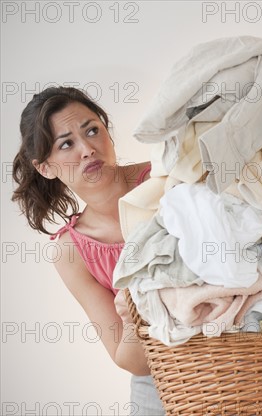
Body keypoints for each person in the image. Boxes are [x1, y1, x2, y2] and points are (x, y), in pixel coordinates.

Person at [12, 86, 165, 416]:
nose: (87, 149)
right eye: (66, 143)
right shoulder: (71, 250)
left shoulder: (164, 177)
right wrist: (136, 303)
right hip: (158, 379)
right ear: (46, 168)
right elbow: (129, 360)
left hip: (226, 355)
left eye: (92, 130)